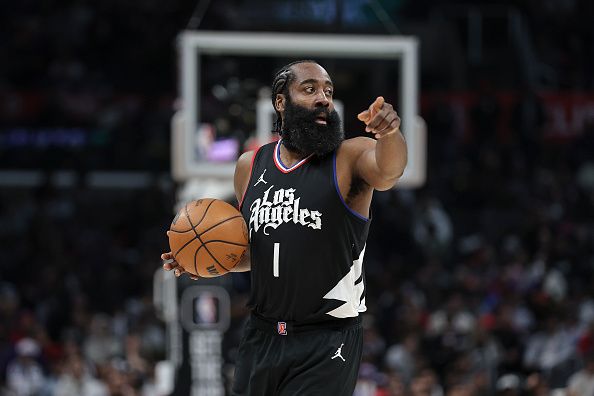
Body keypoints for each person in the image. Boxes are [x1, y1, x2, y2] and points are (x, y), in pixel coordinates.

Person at [162, 60, 407, 395]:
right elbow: (258, 251)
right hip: (261, 336)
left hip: (327, 340)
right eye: (310, 89)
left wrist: (390, 133)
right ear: (281, 101)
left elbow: (389, 170)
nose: (323, 98)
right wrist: (202, 256)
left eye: (328, 91)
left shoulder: (350, 156)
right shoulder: (250, 166)